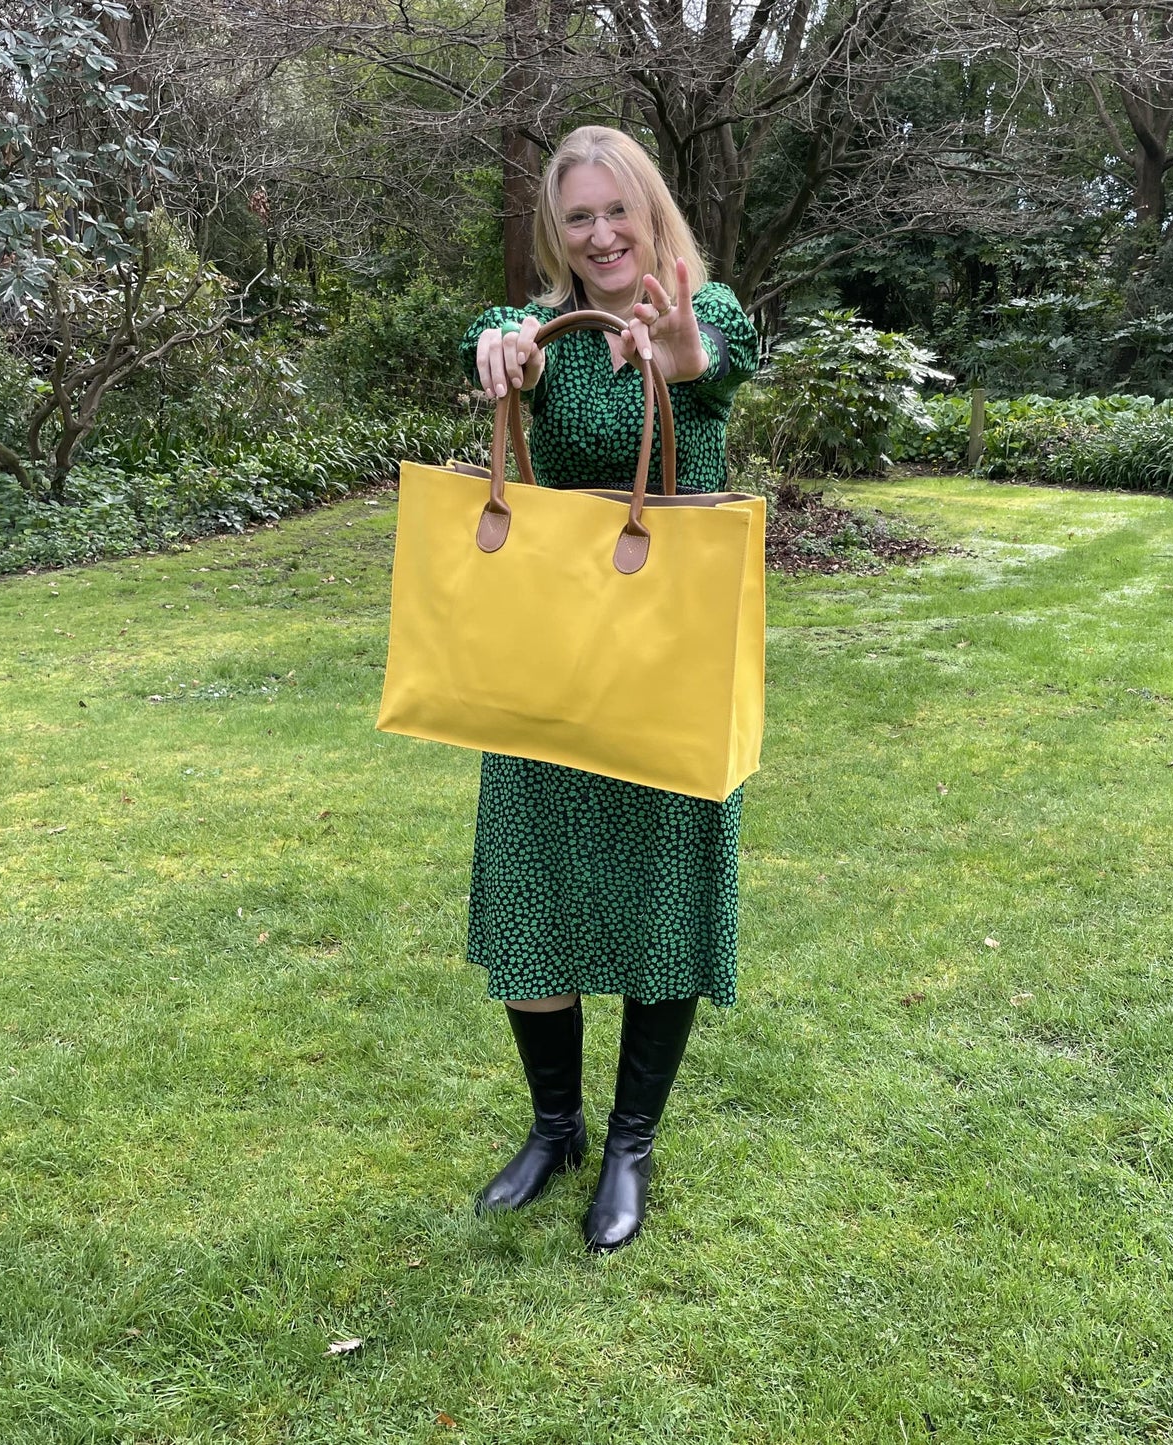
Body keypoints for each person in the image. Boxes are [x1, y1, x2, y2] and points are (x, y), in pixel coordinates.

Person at [458, 125, 758, 1253]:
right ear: (556, 230)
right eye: (575, 217)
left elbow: (705, 359)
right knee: (534, 873)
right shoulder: (535, 324)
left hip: (668, 654)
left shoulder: (707, 311)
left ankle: (630, 1140)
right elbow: (495, 341)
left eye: (614, 212)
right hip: (548, 651)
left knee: (659, 888)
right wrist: (506, 352)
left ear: (649, 210)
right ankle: (554, 1127)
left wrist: (674, 345)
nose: (598, 236)